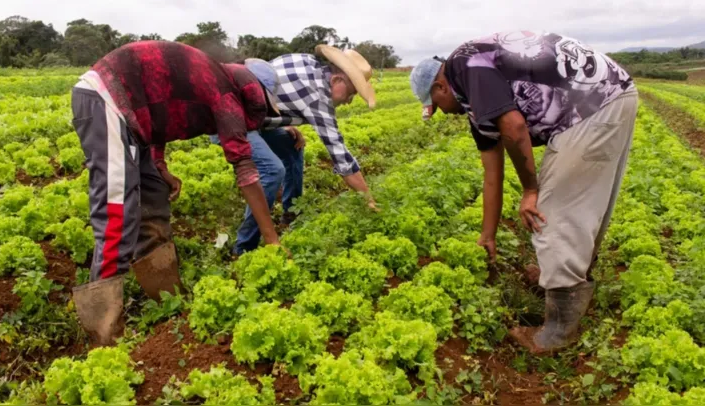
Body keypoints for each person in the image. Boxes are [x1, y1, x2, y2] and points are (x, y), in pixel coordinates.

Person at [410, 31, 637, 354]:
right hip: (609, 94)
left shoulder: (465, 66)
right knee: (580, 201)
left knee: (554, 210)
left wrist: (530, 190)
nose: (441, 112)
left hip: (593, 103)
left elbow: (514, 128)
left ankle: (559, 329)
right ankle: (563, 274)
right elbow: (493, 174)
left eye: (436, 105)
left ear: (440, 86)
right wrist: (487, 236)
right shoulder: (473, 98)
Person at [71, 40, 283, 345]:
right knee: (118, 212)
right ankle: (105, 338)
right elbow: (245, 169)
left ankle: (166, 300)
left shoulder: (213, 79)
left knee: (153, 195)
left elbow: (159, 109)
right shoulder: (224, 92)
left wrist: (159, 165)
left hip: (131, 113)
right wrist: (271, 238)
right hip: (106, 99)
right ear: (252, 92)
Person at [223, 45, 378, 255]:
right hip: (230, 117)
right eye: (350, 93)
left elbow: (272, 87)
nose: (349, 101)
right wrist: (368, 199)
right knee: (272, 170)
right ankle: (244, 247)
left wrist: (283, 123)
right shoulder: (318, 99)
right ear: (336, 80)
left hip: (256, 116)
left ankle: (291, 212)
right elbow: (341, 158)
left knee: (292, 146)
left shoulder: (306, 61)